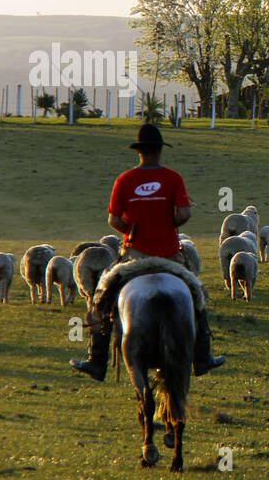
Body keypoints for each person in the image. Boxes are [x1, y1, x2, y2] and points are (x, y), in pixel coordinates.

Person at [70, 123, 225, 381]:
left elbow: (113, 221)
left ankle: (97, 359)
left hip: (135, 257)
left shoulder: (125, 179)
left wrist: (132, 227)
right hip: (170, 257)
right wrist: (169, 222)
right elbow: (185, 214)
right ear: (160, 151)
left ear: (139, 152)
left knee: (100, 298)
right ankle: (203, 356)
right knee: (198, 295)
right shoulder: (173, 178)